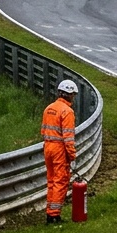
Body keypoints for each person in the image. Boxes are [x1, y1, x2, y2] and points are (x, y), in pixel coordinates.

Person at [41, 79, 78, 224]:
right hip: (59, 149)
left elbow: (43, 130)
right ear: (70, 95)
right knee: (60, 181)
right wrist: (72, 156)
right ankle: (54, 215)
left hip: (47, 147)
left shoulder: (49, 108)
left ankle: (49, 212)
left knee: (51, 180)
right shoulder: (67, 111)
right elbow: (68, 138)